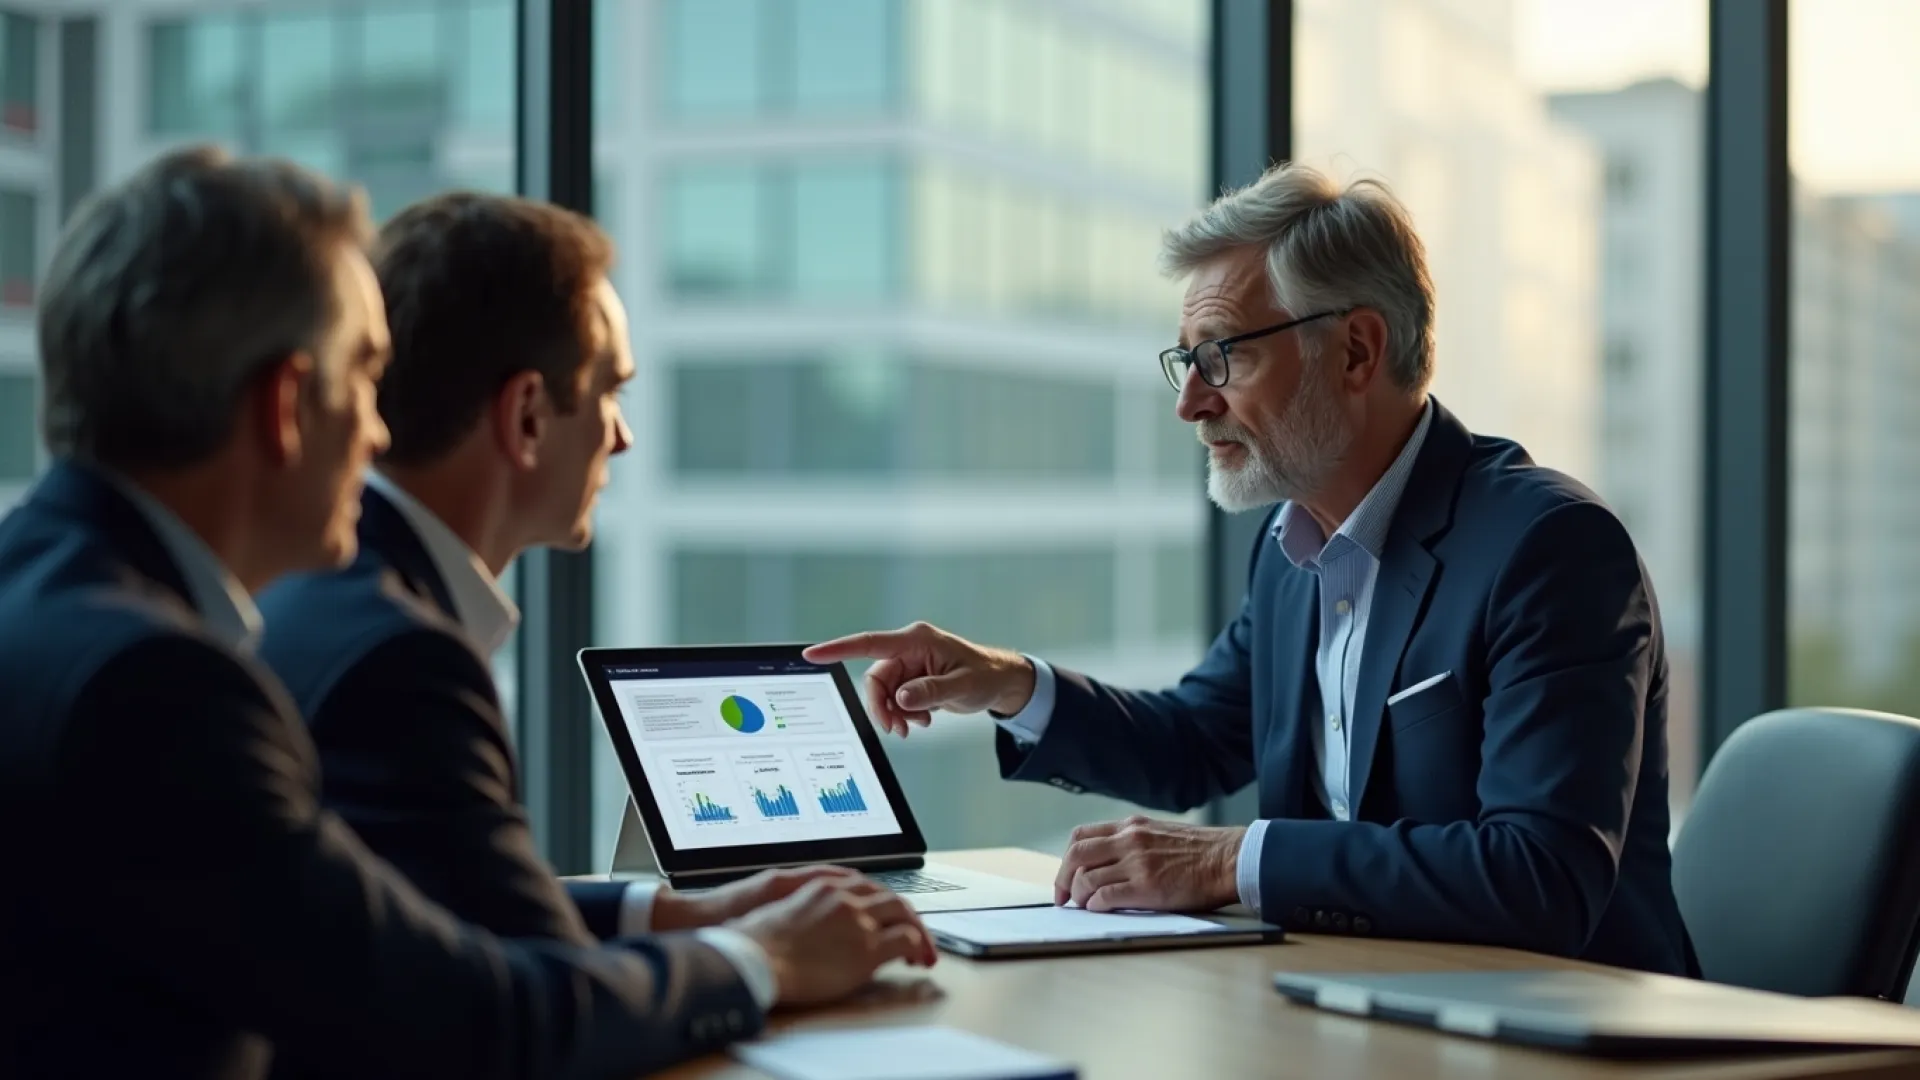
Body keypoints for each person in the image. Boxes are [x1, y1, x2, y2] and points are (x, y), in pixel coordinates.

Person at [0, 146, 932, 1080]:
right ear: (287, 403)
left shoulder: (49, 601)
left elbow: (366, 909)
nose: (377, 430)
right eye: (364, 376)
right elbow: (480, 1024)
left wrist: (667, 914)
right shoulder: (157, 689)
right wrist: (764, 958)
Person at [805, 161, 1697, 977]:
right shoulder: (1291, 545)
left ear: (1354, 351)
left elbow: (1542, 877)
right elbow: (1197, 741)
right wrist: (1007, 684)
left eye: (1223, 355)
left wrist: (1230, 860)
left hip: (1576, 1032)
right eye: (1186, 363)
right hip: (1367, 1007)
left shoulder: (1550, 548)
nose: (1193, 403)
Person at [254, 191, 878, 961]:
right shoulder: (400, 655)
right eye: (610, 390)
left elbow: (447, 903)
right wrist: (765, 958)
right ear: (526, 418)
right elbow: (524, 1008)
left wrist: (682, 913)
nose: (622, 437)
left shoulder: (331, 593)